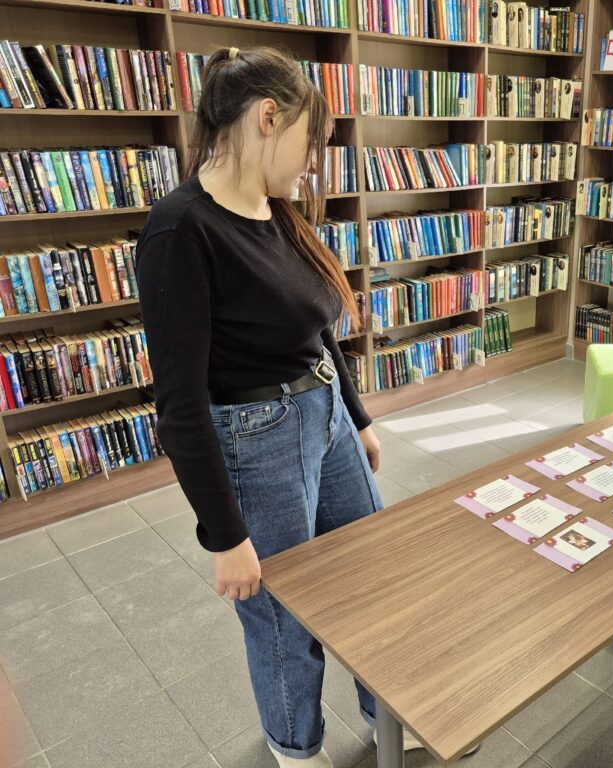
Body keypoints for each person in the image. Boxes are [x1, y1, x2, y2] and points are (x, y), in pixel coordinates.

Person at [137, 46, 389, 767]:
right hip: (256, 440)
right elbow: (180, 404)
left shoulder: (277, 211)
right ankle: (296, 748)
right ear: (268, 118)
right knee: (281, 619)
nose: (310, 163)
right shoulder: (181, 231)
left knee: (370, 573)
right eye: (310, 142)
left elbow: (318, 326)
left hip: (326, 418)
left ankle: (389, 718)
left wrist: (357, 417)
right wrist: (225, 536)